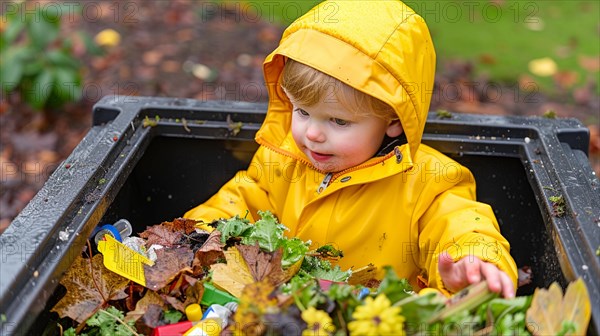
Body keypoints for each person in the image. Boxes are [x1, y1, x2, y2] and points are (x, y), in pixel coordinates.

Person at [184, 0, 517, 297]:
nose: (312, 134)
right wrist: (198, 236)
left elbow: (460, 222)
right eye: (301, 112)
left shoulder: (429, 180)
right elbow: (239, 203)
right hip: (285, 315)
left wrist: (471, 260)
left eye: (338, 122)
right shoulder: (281, 158)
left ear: (393, 120)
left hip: (378, 320)